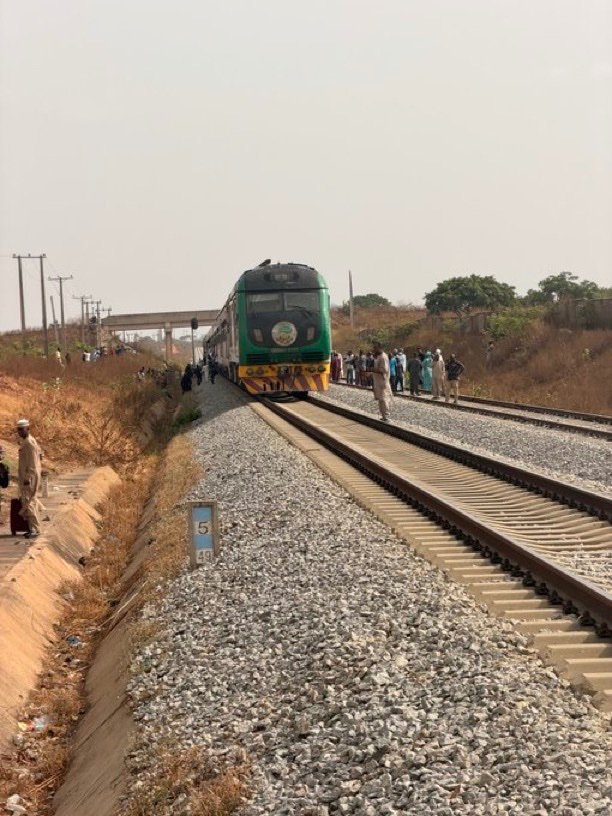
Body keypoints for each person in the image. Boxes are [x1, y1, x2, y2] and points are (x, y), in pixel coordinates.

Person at [16, 418, 42, 538]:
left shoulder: (29, 443)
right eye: (18, 429)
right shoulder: (28, 441)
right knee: (31, 500)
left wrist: (27, 478)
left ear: (28, 429)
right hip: (30, 475)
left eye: (22, 429)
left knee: (29, 501)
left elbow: (32, 463)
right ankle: (33, 528)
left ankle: (35, 529)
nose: (20, 432)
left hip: (29, 476)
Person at [371, 342, 392, 422]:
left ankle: (386, 417)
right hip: (378, 382)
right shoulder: (378, 356)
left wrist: (372, 370)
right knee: (380, 399)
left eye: (375, 348)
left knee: (384, 399)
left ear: (380, 348)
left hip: (383, 382)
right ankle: (383, 416)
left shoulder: (383, 357)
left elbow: (384, 370)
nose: (374, 349)